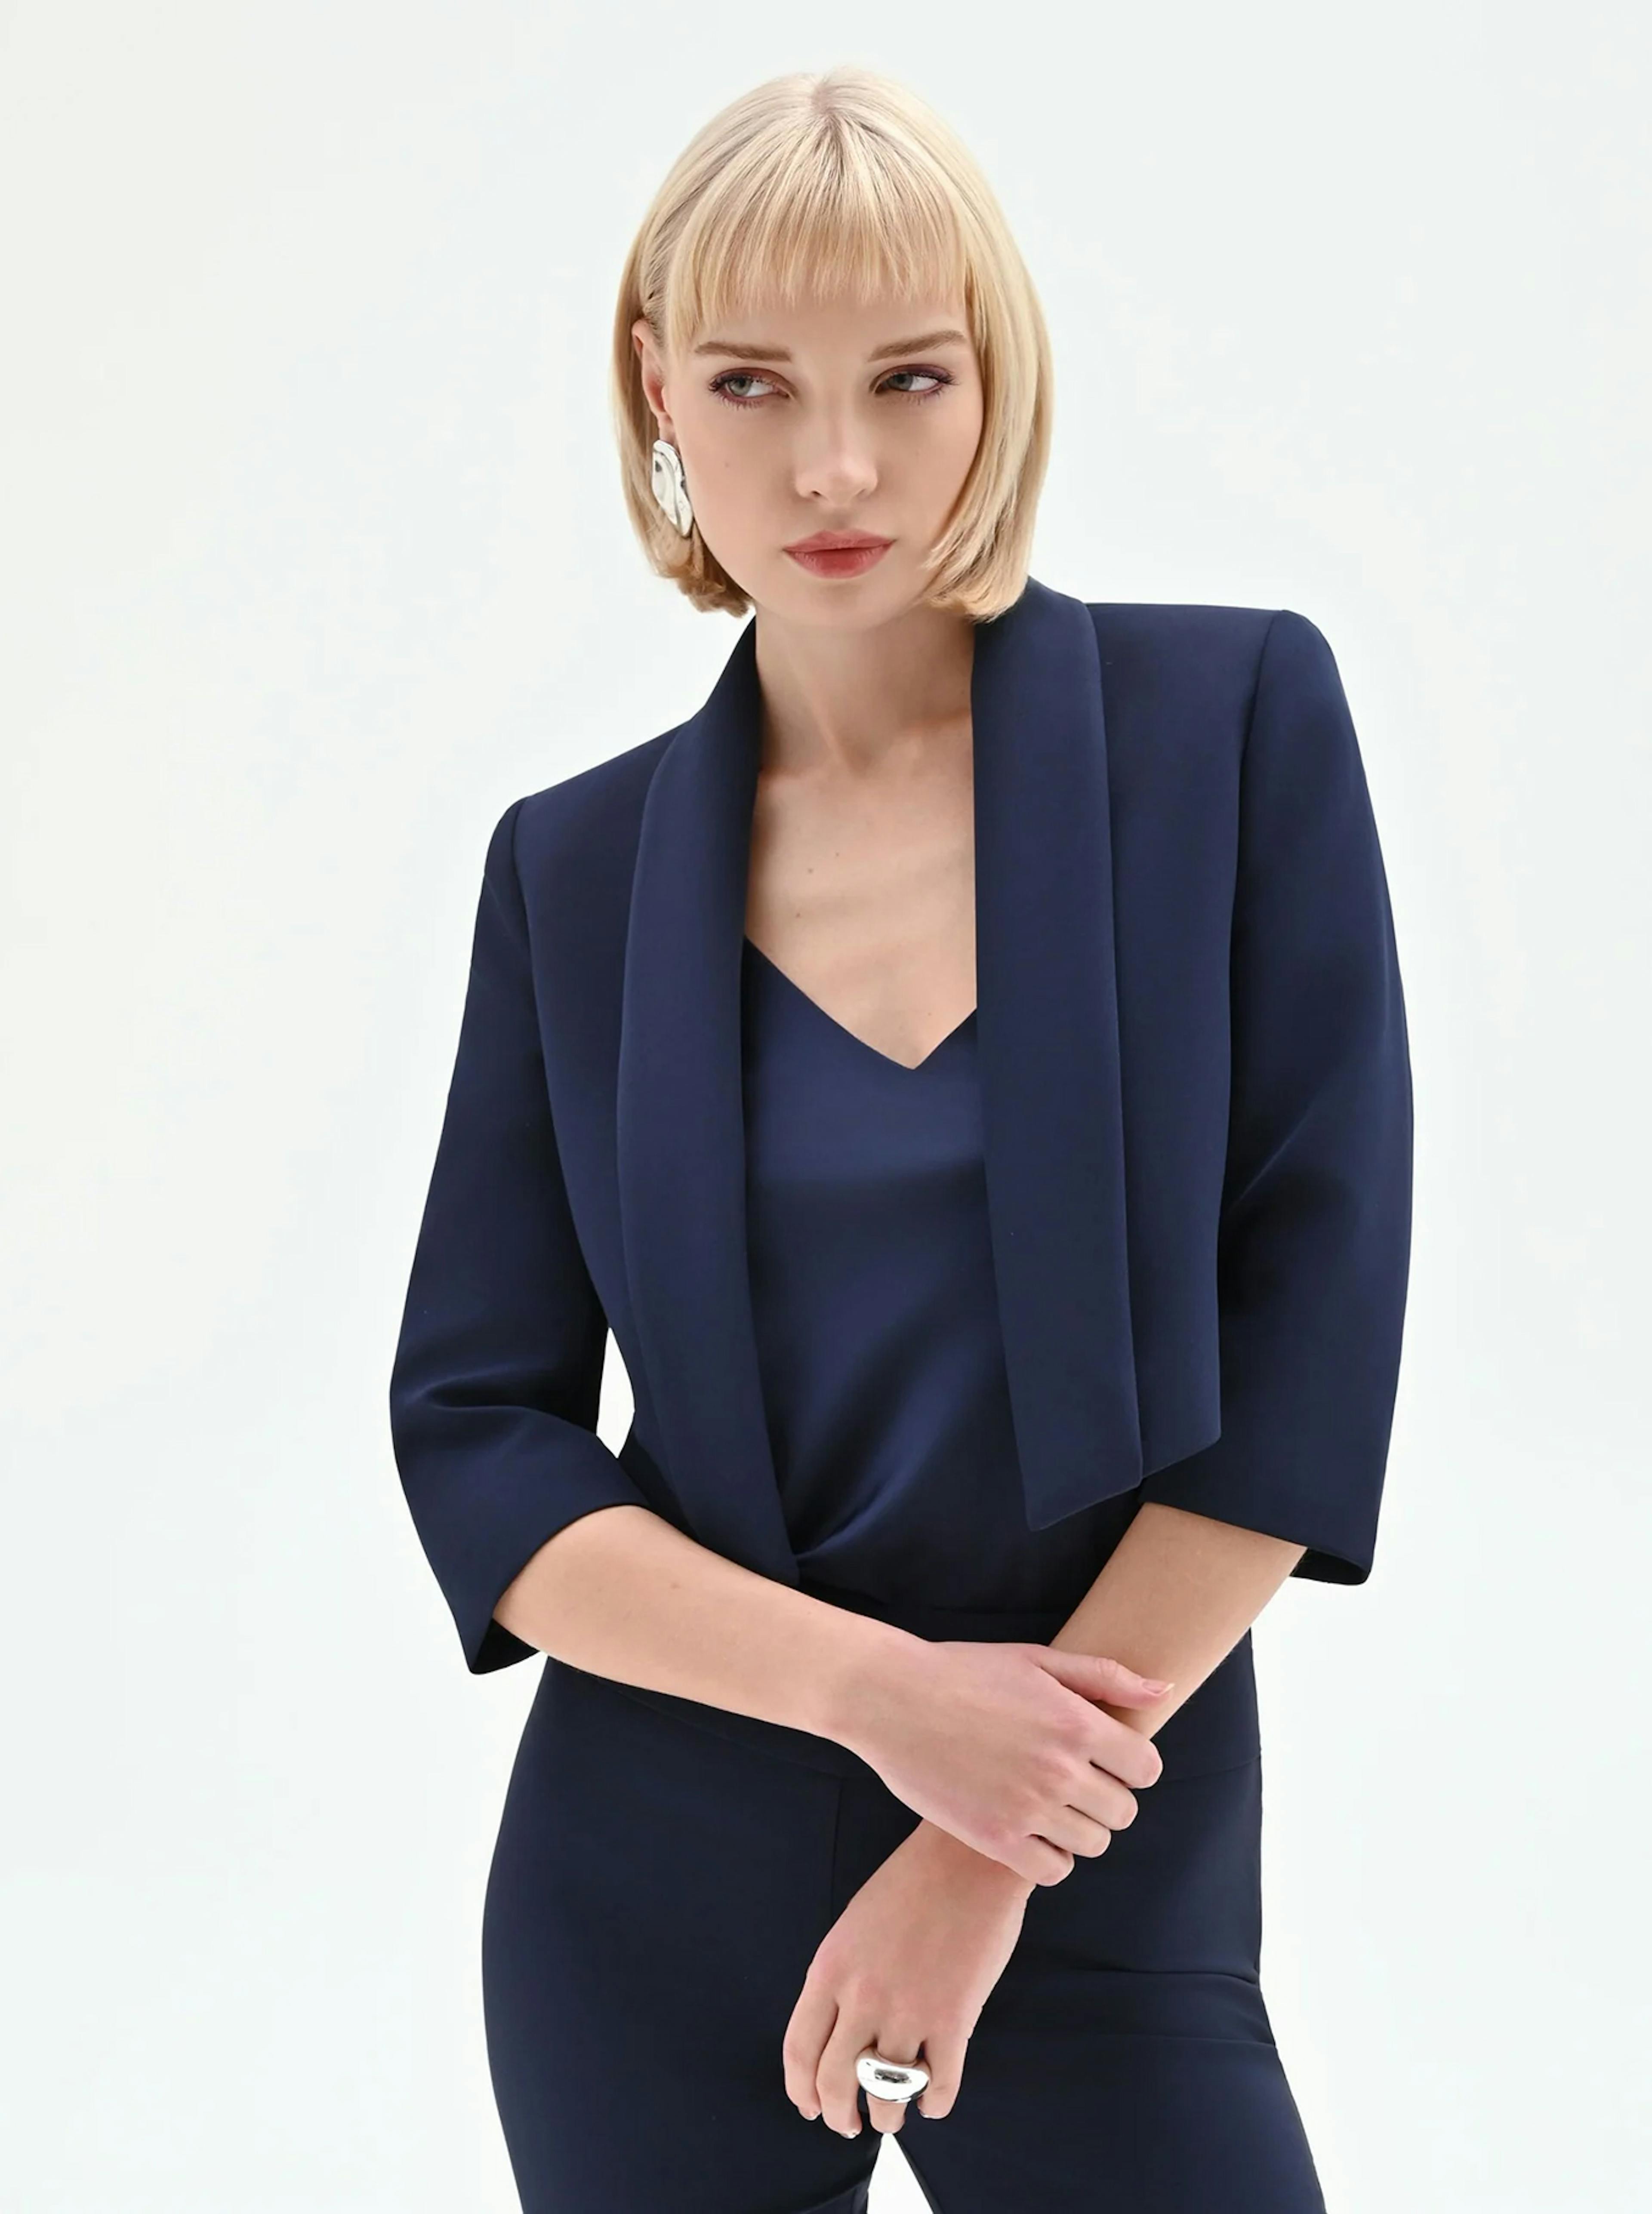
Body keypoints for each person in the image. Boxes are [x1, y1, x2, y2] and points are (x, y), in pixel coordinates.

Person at [388, 63, 1413, 2214]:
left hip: (1095, 1850)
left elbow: (1307, 1343)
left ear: (994, 384)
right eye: (752, 384)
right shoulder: (570, 876)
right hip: (649, 1891)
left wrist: (978, 1831)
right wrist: (879, 1701)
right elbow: (481, 1430)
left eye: (907, 378)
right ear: (657, 391)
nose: (834, 463)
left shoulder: (1227, 738)